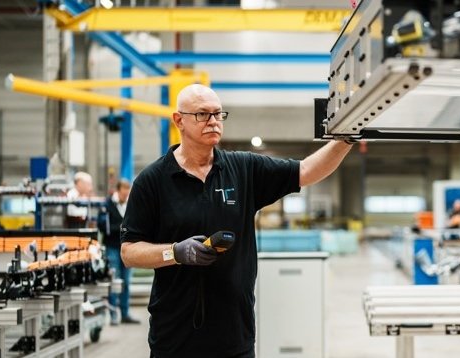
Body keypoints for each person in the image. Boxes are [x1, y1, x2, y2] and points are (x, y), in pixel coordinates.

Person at [120, 84, 352, 358]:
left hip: (234, 336)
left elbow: (306, 170)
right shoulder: (152, 181)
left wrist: (346, 138)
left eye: (218, 114)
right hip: (174, 338)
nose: (213, 121)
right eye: (202, 114)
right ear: (178, 120)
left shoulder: (243, 169)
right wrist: (175, 252)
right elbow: (128, 252)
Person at [100, 179, 139, 325]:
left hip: (127, 247)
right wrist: (122, 227)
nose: (126, 194)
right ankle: (113, 313)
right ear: (118, 190)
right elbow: (104, 226)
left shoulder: (130, 204)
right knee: (114, 281)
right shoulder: (108, 205)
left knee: (126, 282)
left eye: (128, 191)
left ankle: (125, 313)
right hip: (112, 248)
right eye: (124, 191)